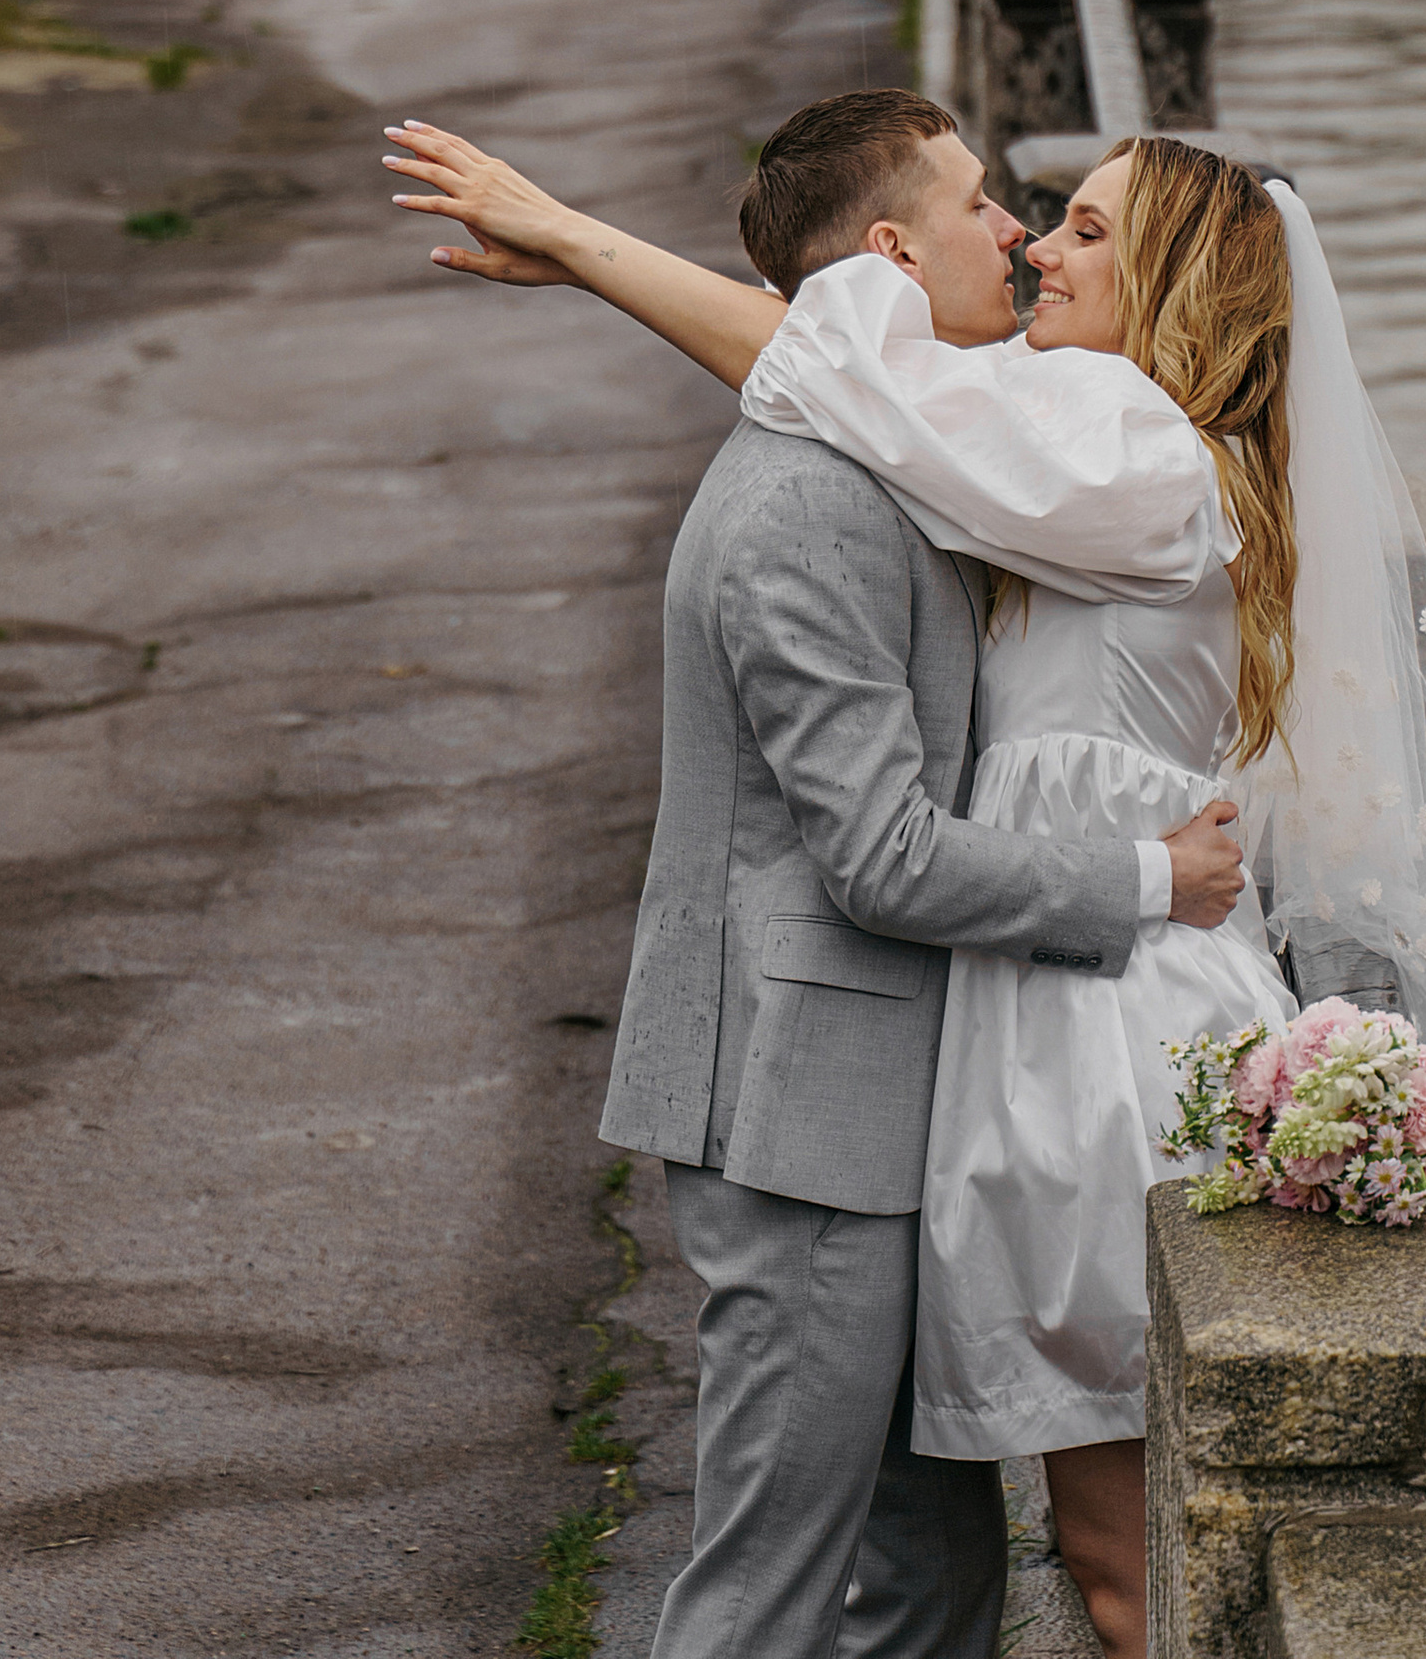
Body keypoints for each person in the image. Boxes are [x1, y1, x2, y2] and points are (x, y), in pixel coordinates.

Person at [387, 89, 1251, 1659]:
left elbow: (834, 371)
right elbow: (879, 858)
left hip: (904, 1100)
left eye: (1064, 222)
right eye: (990, 205)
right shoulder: (812, 510)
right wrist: (1144, 880)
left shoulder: (928, 461)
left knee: (933, 1578)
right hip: (803, 1105)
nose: (1021, 233)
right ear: (885, 255)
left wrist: (587, 253)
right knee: (773, 1586)